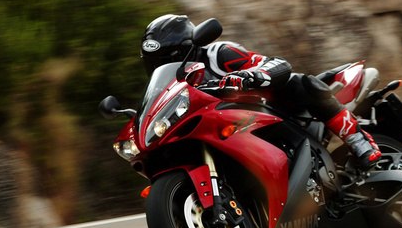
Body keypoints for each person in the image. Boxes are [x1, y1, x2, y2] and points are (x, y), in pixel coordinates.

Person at [140, 14, 381, 170]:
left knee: (301, 83)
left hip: (270, 112)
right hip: (225, 132)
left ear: (188, 48)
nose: (163, 66)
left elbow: (277, 64)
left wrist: (250, 76)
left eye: (169, 58)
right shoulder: (169, 88)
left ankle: (358, 140)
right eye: (156, 62)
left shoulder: (218, 54)